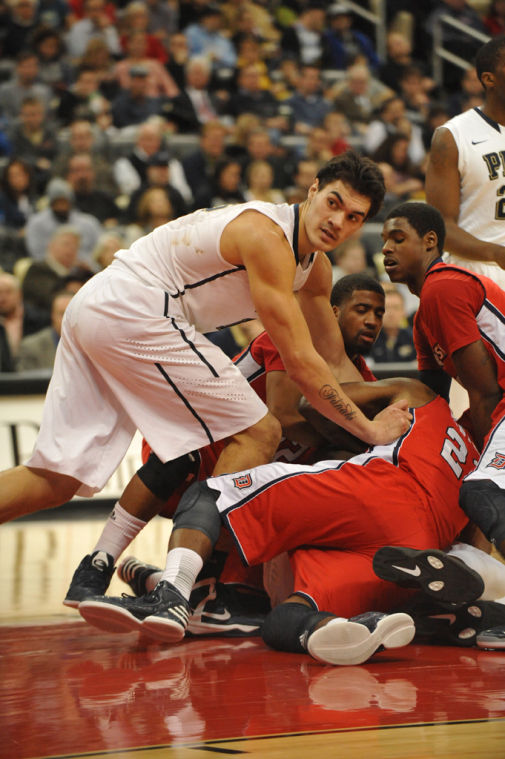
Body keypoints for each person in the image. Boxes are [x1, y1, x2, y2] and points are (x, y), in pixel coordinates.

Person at [0, 151, 411, 533]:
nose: (337, 221)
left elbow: (333, 360)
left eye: (354, 217)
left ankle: (144, 567)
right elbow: (303, 363)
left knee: (56, 480)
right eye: (334, 203)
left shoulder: (315, 269)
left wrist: (377, 402)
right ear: (313, 189)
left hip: (99, 304)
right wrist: (371, 431)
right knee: (258, 433)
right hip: (136, 307)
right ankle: (192, 577)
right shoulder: (268, 237)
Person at [78, 374, 481, 664]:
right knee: (287, 615)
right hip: (419, 543)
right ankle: (332, 627)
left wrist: (371, 432)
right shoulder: (478, 467)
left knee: (210, 493)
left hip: (383, 492)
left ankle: (173, 597)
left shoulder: (420, 395)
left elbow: (314, 405)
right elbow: (474, 546)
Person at [64, 272, 386, 627]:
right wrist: (347, 435)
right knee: (194, 465)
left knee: (244, 600)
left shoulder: (365, 381)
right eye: (362, 309)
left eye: (379, 313)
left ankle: (161, 583)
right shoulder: (296, 340)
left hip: (247, 484)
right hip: (196, 450)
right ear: (333, 311)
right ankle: (97, 563)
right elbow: (284, 416)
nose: (372, 320)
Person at [381, 201, 505, 569]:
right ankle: (474, 587)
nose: (386, 248)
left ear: (430, 241)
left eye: (398, 238)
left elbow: (486, 393)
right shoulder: (421, 319)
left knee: (480, 492)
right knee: (450, 480)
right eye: (384, 240)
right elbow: (434, 407)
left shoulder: (445, 286)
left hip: (499, 403)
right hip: (496, 408)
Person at [425, 36, 505, 289]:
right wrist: (496, 253)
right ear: (489, 79)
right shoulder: (452, 137)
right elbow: (440, 227)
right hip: (476, 273)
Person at [16, 290, 74, 371]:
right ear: (52, 315)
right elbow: (25, 382)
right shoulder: (31, 347)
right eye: (62, 313)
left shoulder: (90, 345)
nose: (67, 319)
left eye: (72, 313)